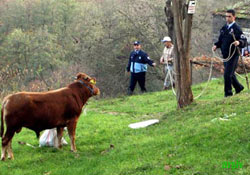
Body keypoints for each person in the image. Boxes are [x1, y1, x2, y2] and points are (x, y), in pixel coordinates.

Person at [212, 9, 247, 97]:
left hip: (233, 55)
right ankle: (238, 87)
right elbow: (221, 40)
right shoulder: (224, 28)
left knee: (227, 74)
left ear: (234, 17)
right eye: (226, 16)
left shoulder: (237, 28)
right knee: (230, 74)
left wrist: (239, 42)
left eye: (229, 16)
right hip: (225, 55)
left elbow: (244, 40)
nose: (227, 18)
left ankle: (228, 93)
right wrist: (216, 45)